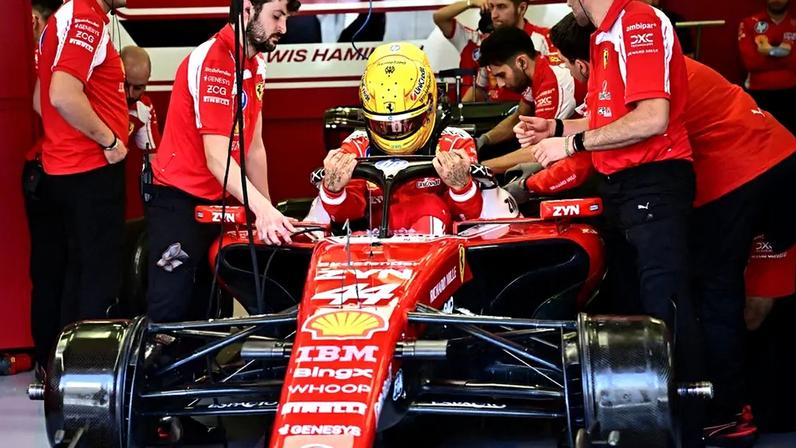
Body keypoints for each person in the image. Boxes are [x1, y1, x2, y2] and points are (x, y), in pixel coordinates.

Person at [540, 12, 796, 446]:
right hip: (771, 163)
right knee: (731, 297)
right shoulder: (632, 59)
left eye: (567, 64)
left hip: (745, 173)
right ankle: (744, 406)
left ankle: (728, 412)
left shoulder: (635, 52)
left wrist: (547, 159)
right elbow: (608, 125)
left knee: (717, 293)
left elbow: (626, 132)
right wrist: (562, 130)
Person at [146, 0, 300, 323]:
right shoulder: (214, 60)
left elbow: (254, 147)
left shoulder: (256, 66)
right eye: (276, 16)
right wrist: (261, 210)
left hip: (218, 203)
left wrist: (270, 215)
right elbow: (216, 156)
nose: (283, 28)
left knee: (212, 314)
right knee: (171, 316)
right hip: (178, 203)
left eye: (285, 18)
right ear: (247, 9)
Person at [36, 0, 129, 350]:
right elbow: (61, 94)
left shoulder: (66, 16)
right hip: (89, 169)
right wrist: (109, 140)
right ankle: (89, 374)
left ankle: (68, 373)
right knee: (99, 277)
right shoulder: (85, 15)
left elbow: (39, 99)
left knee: (78, 273)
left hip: (65, 168)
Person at [319, 42, 485, 234]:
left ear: (428, 107)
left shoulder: (455, 145)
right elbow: (345, 218)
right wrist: (334, 191)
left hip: (434, 247)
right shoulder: (356, 146)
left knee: (430, 207)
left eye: (404, 124)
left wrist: (461, 187)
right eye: (384, 125)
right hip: (369, 247)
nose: (395, 132)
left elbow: (470, 220)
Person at [474, 26, 590, 197]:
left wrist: (481, 168)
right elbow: (518, 117)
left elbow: (539, 150)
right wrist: (484, 140)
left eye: (502, 75)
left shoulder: (551, 83)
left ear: (521, 62)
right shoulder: (537, 71)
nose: (500, 85)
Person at [24, 0, 59, 378]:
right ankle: (49, 361)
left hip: (50, 170)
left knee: (53, 268)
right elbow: (41, 103)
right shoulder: (49, 43)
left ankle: (48, 361)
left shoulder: (47, 42)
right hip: (48, 170)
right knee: (54, 268)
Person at [432, 0, 555, 103]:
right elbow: (479, 89)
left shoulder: (543, 39)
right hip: (497, 115)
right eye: (491, 7)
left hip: (533, 114)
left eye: (501, 7)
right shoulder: (489, 42)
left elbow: (555, 86)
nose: (494, 15)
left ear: (521, 8)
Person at [739, 0, 796, 132]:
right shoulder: (749, 23)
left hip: (791, 92)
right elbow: (751, 63)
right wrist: (785, 53)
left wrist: (767, 51)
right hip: (758, 92)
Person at [121, 46, 160, 216]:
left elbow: (153, 156)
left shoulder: (143, 106)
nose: (129, 93)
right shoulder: (99, 99)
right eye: (125, 84)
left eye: (138, 88)